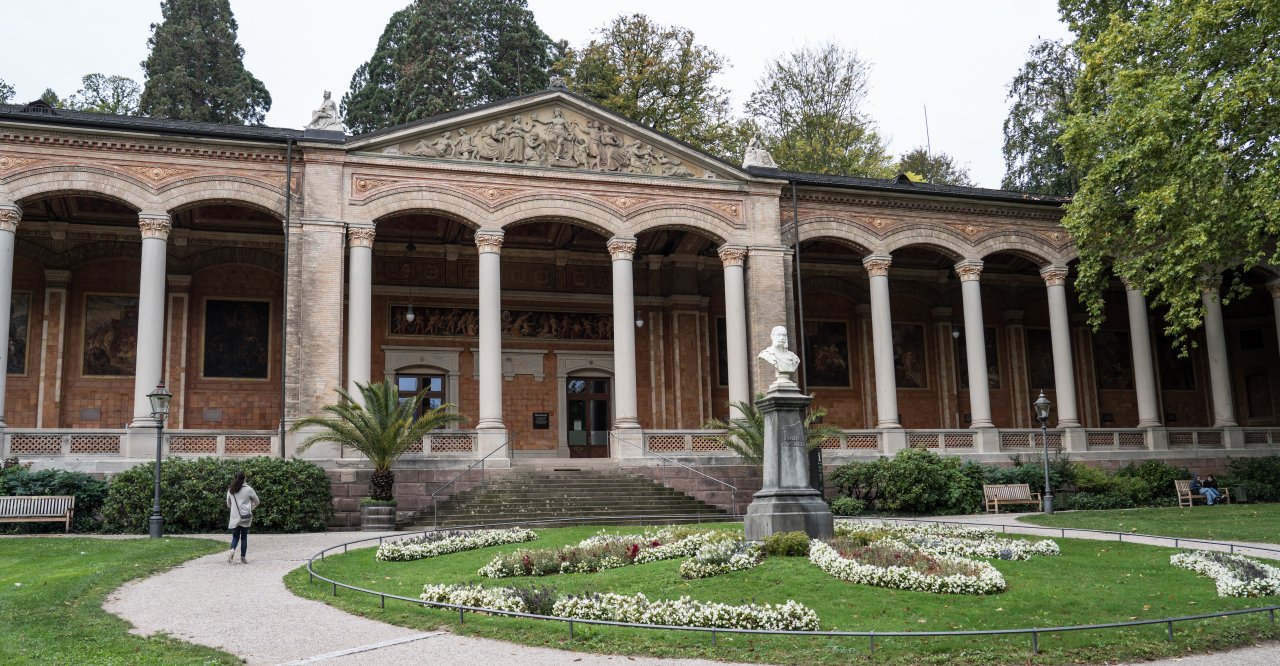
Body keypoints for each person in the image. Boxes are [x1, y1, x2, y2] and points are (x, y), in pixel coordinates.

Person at [226, 471, 260, 564]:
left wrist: (234, 509)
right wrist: (250, 508)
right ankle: (243, 558)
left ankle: (232, 549)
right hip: (246, 516)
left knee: (235, 537)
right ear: (245, 479)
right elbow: (257, 501)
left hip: (235, 516)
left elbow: (228, 504)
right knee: (244, 537)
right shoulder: (249, 489)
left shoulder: (230, 490)